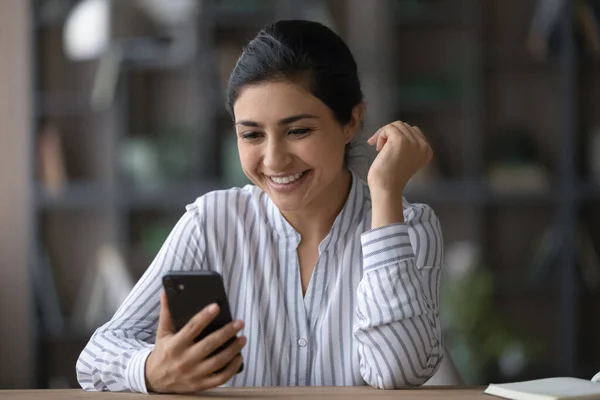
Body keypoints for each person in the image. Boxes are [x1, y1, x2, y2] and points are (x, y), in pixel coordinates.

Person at [76, 19, 444, 393]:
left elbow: (398, 372)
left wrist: (385, 194)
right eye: (252, 135)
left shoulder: (410, 227)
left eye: (298, 131)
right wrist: (150, 369)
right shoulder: (212, 223)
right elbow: (94, 359)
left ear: (352, 121)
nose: (273, 160)